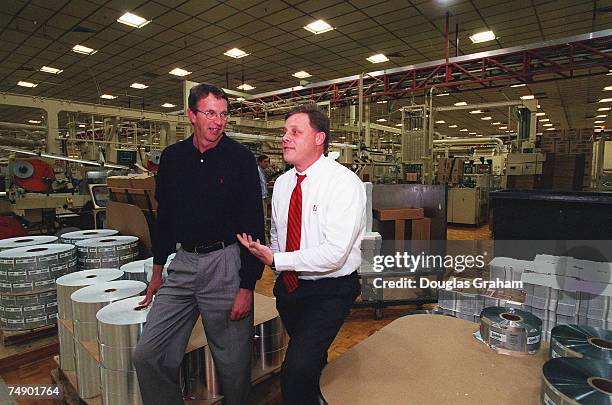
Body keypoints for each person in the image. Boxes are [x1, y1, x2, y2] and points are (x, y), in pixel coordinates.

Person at [133, 83, 265, 405]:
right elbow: (164, 219)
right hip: (184, 263)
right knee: (148, 354)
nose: (218, 121)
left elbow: (253, 225)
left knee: (233, 367)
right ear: (191, 115)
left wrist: (247, 286)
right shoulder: (174, 158)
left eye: (223, 114)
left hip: (225, 263)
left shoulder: (241, 159)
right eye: (210, 113)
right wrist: (157, 271)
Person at [237, 104, 366, 405]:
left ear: (319, 138)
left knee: (294, 370)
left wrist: (277, 260)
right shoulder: (282, 184)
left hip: (330, 291)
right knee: (311, 360)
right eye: (284, 132)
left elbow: (335, 254)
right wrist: (278, 262)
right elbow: (279, 234)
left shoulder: (343, 183)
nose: (285, 138)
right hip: (290, 289)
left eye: (295, 132)